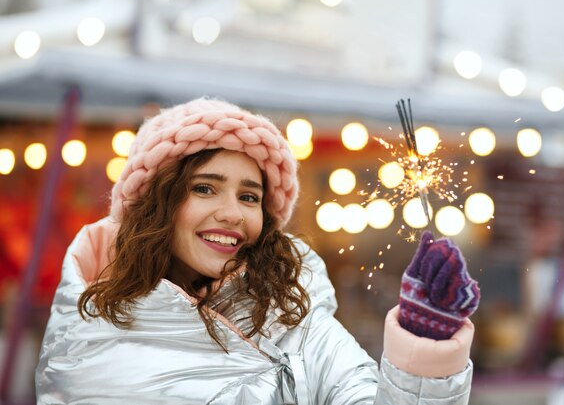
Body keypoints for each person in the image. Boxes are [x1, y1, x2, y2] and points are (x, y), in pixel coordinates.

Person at [36, 98, 479, 404]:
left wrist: (424, 349)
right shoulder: (92, 321)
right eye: (205, 188)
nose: (232, 213)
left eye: (249, 197)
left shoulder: (298, 322)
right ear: (157, 204)